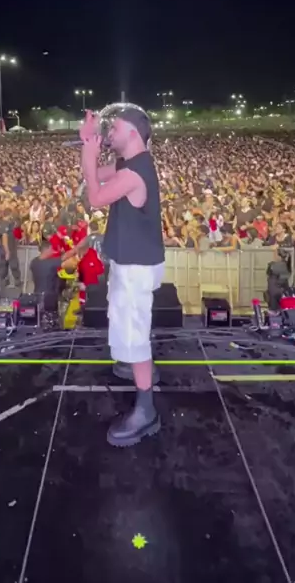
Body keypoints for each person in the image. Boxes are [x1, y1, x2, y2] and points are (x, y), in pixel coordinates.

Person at [80, 106, 165, 447]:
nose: (109, 133)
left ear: (132, 132)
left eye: (113, 128)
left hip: (136, 267)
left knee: (135, 335)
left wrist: (89, 154)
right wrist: (88, 144)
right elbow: (96, 174)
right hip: (130, 262)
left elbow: (95, 197)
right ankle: (138, 368)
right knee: (128, 324)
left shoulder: (134, 172)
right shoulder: (130, 164)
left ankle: (146, 411)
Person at [0, 209, 22, 291]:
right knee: (13, 266)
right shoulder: (5, 224)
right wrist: (7, 251)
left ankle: (3, 287)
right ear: (10, 215)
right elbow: (4, 238)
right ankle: (17, 286)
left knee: (3, 268)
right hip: (8, 249)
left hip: (1, 250)